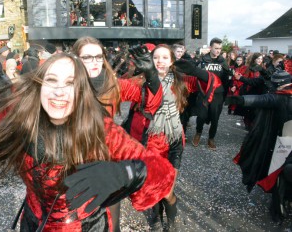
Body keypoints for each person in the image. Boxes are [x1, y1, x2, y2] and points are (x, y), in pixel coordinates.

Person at [0, 53, 176, 231]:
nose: (60, 90)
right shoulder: (22, 127)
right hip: (34, 223)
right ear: (38, 87)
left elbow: (162, 175)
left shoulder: (102, 130)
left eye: (70, 83)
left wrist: (129, 172)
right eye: (51, 80)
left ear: (81, 91)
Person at [122, 44, 221, 231]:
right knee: (153, 186)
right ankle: (157, 218)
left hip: (172, 141)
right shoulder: (140, 81)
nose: (160, 61)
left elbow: (213, 82)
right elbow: (114, 88)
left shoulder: (181, 81)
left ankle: (172, 221)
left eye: (165, 58)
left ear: (172, 61)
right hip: (148, 141)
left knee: (167, 191)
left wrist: (196, 70)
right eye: (156, 57)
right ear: (150, 60)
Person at [72, 37, 163, 231]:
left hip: (106, 154)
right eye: (87, 57)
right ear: (76, 58)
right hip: (72, 156)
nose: (95, 61)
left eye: (98, 56)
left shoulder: (113, 84)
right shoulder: (65, 83)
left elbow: (149, 102)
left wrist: (152, 74)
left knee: (111, 221)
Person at [225, 70, 292, 223]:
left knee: (278, 174)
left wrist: (237, 100)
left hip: (283, 141)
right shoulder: (279, 96)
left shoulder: (279, 98)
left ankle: (279, 206)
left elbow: (260, 100)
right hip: (283, 137)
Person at [192, 37, 230, 150]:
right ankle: (198, 133)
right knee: (201, 116)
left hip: (218, 94)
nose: (218, 51)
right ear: (210, 48)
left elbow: (226, 80)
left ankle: (211, 138)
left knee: (215, 118)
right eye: (216, 48)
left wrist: (225, 95)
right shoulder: (202, 60)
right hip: (204, 93)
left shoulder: (223, 62)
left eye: (220, 48)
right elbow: (196, 76)